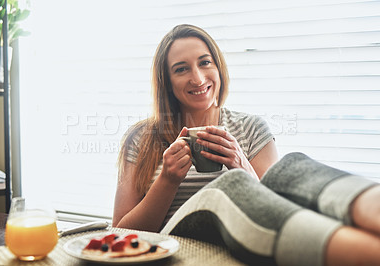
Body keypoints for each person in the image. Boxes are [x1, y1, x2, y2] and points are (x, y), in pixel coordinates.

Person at [113, 24, 380, 265]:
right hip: (174, 243)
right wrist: (167, 181)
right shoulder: (141, 138)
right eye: (181, 69)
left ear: (218, 68)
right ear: (167, 82)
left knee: (293, 165)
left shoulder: (251, 128)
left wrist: (241, 164)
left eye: (205, 63)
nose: (197, 77)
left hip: (247, 241)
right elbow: (119, 233)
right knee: (229, 187)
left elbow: (278, 209)